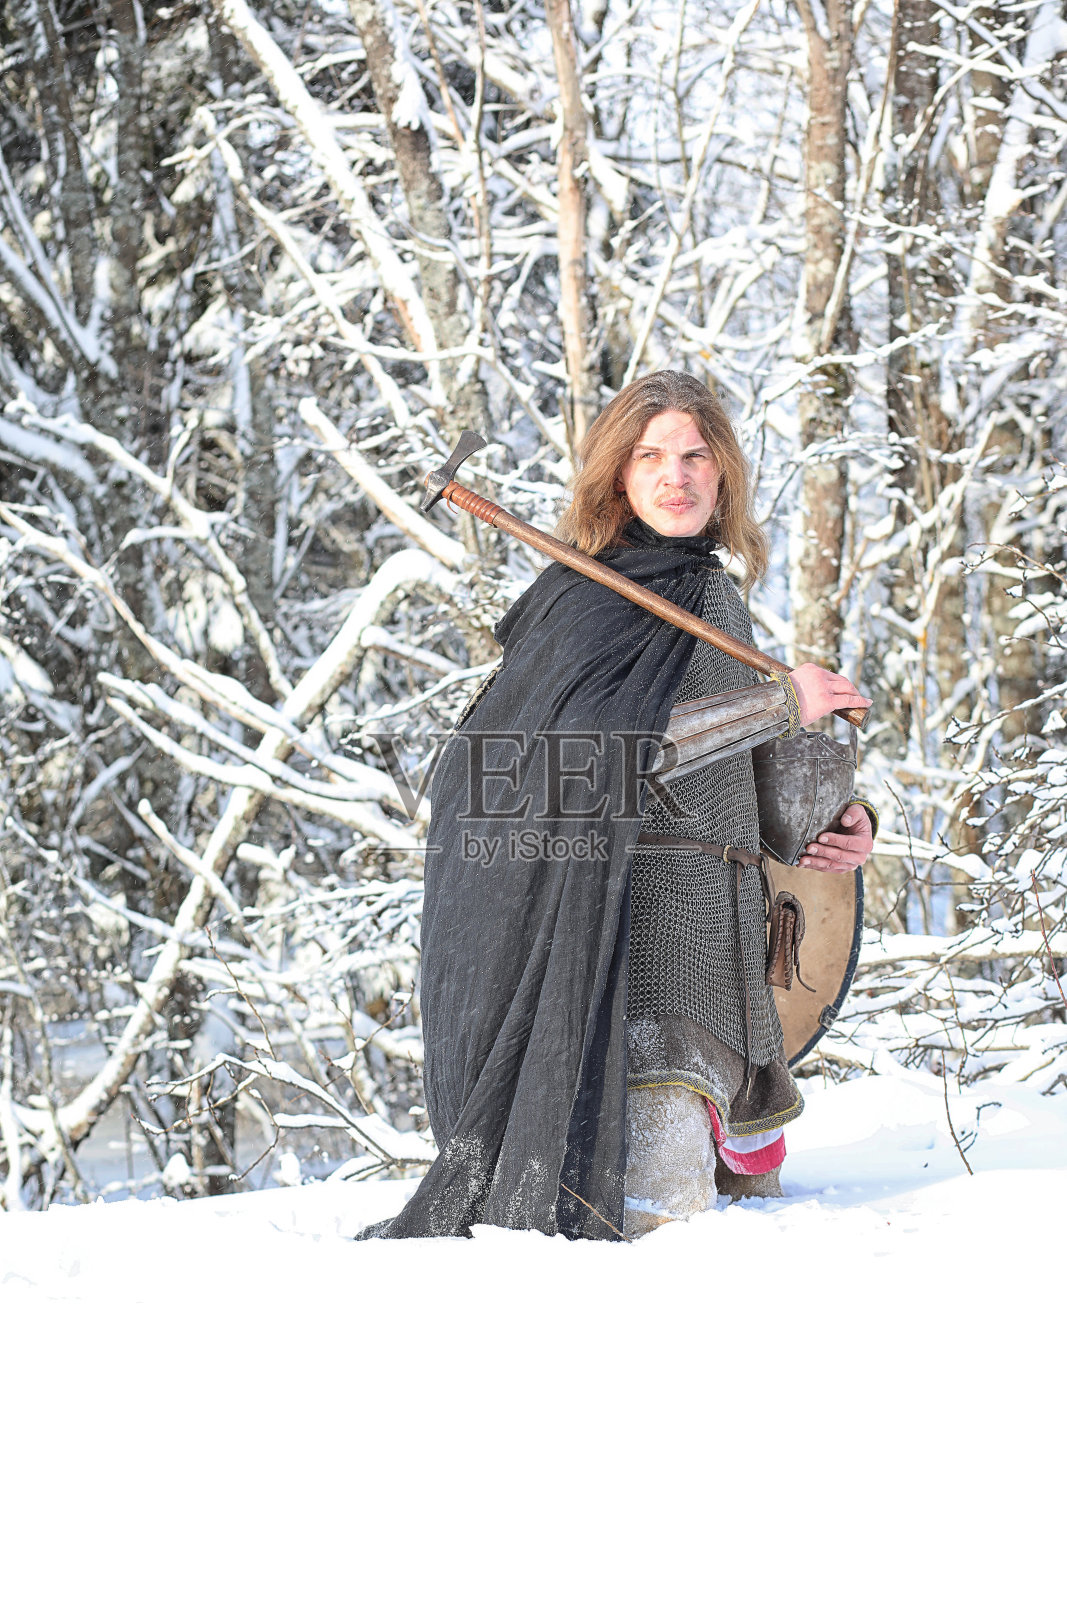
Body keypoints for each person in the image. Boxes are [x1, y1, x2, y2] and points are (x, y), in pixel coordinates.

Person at [370, 370, 873, 1243]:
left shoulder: (716, 597)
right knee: (659, 1241)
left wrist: (827, 823)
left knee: (762, 1242)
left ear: (723, 474)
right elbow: (587, 760)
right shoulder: (586, 603)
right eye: (649, 457)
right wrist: (777, 703)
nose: (675, 476)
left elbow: (733, 779)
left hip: (731, 967)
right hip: (629, 966)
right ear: (616, 477)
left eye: (694, 456)